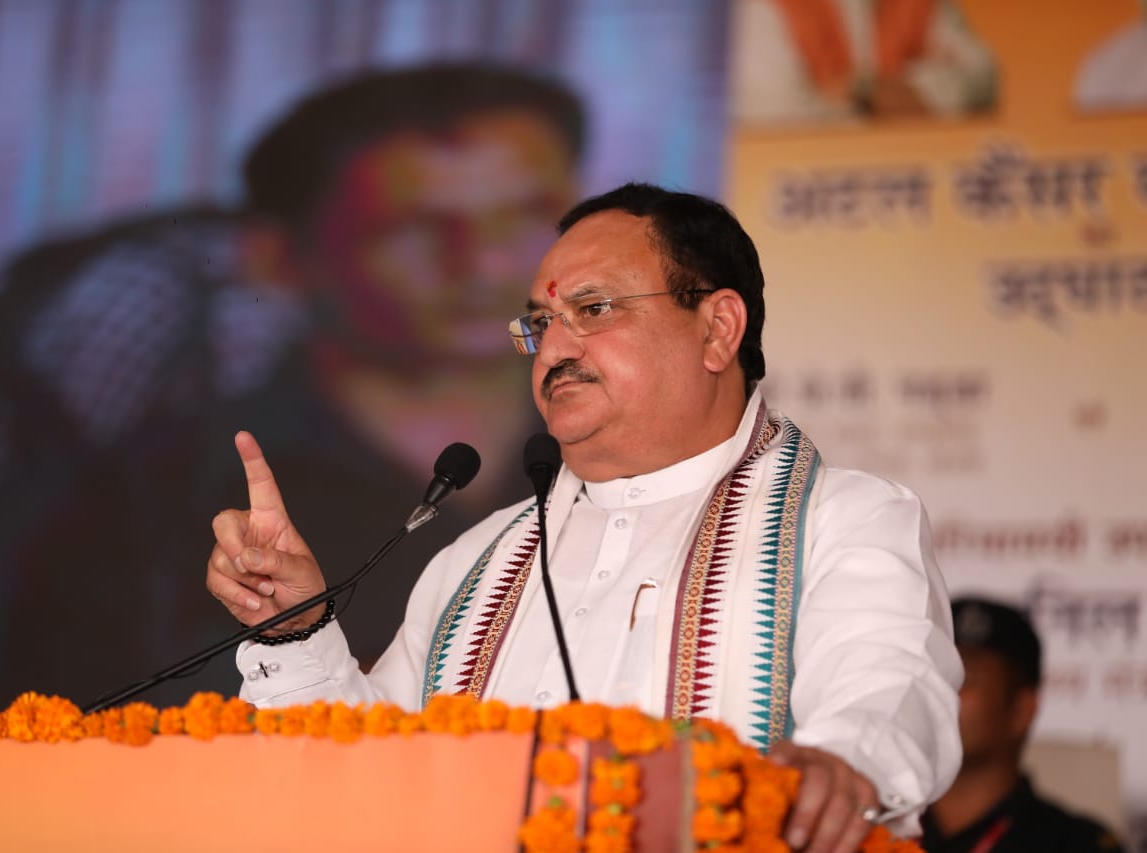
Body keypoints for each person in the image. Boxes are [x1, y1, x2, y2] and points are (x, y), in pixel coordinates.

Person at [207, 182, 963, 850]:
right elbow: (367, 772)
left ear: (718, 329)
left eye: (593, 309)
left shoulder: (844, 521)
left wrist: (841, 766)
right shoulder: (477, 559)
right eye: (540, 322)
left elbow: (890, 689)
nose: (553, 350)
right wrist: (295, 630)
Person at [0, 63, 583, 710]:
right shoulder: (135, 497)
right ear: (279, 258)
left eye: (523, 218)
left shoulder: (644, 454)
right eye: (416, 228)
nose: (484, 261)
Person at [922, 597, 1126, 853]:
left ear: (1021, 711)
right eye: (932, 673)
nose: (939, 690)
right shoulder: (869, 825)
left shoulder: (1077, 845)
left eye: (964, 676)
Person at [731, 0, 997, 125]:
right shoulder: (760, 6)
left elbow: (984, 77)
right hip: (810, 195)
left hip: (912, 177)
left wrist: (924, 91)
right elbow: (771, 116)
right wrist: (869, 102)